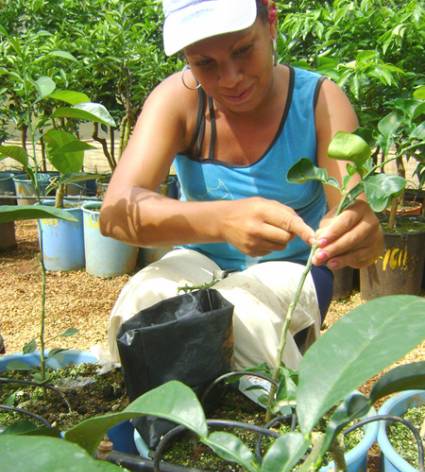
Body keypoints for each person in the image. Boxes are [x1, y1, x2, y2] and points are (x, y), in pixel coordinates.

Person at [100, 0, 383, 386]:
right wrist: (222, 220)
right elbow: (116, 211)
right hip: (198, 256)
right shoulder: (180, 98)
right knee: (143, 305)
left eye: (243, 50)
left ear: (271, 22)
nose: (230, 78)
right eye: (205, 63)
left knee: (248, 318)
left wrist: (357, 232)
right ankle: (148, 429)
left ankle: (270, 427)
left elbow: (351, 208)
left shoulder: (318, 101)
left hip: (292, 267)